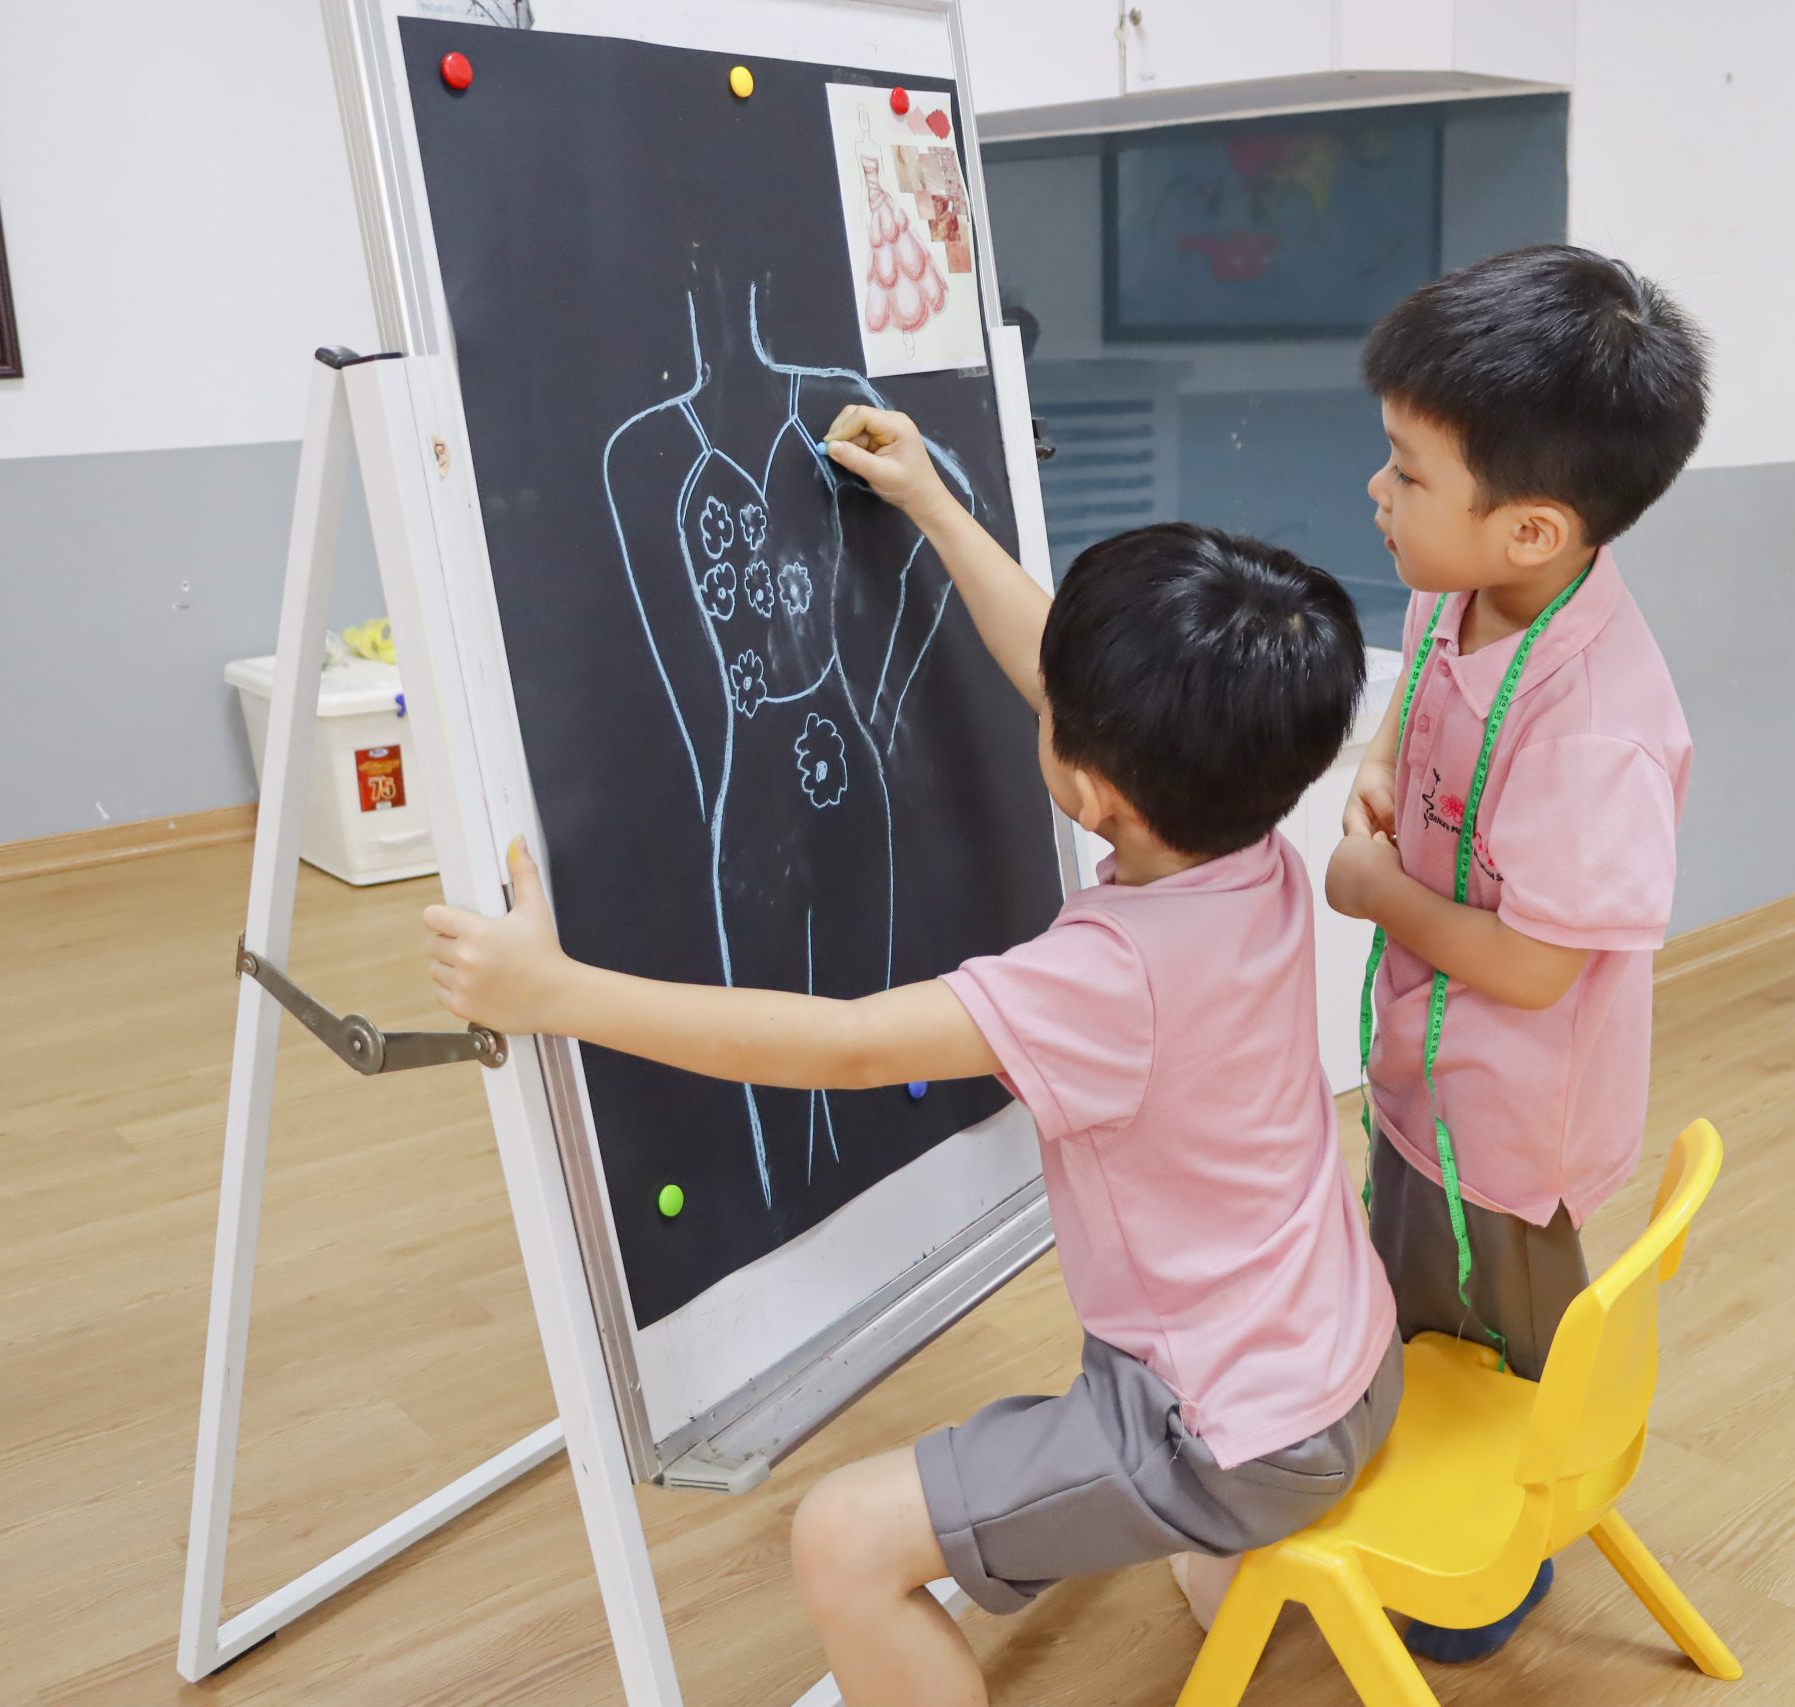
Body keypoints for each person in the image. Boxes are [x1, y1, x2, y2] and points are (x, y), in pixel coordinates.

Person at [423, 405, 1399, 1707]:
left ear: (1095, 789)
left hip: (1231, 1433)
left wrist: (556, 992)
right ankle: (1227, 1563)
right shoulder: (1250, 843)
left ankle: (1218, 1536)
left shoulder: (1109, 978)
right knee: (1179, 1553)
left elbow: (844, 1048)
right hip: (1345, 1364)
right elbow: (1070, 687)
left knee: (842, 1537)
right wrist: (935, 504)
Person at [1324, 244, 1711, 1661]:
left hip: (1506, 1117)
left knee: (1495, 1333)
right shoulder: (1459, 587)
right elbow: (1414, 703)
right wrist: (1381, 765)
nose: (1378, 492)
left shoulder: (1599, 728)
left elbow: (1543, 968)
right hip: (1425, 1072)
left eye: (1407, 471)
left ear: (1532, 529)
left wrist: (1379, 891)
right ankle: (1426, 1481)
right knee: (1410, 1295)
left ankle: (1487, 1574)